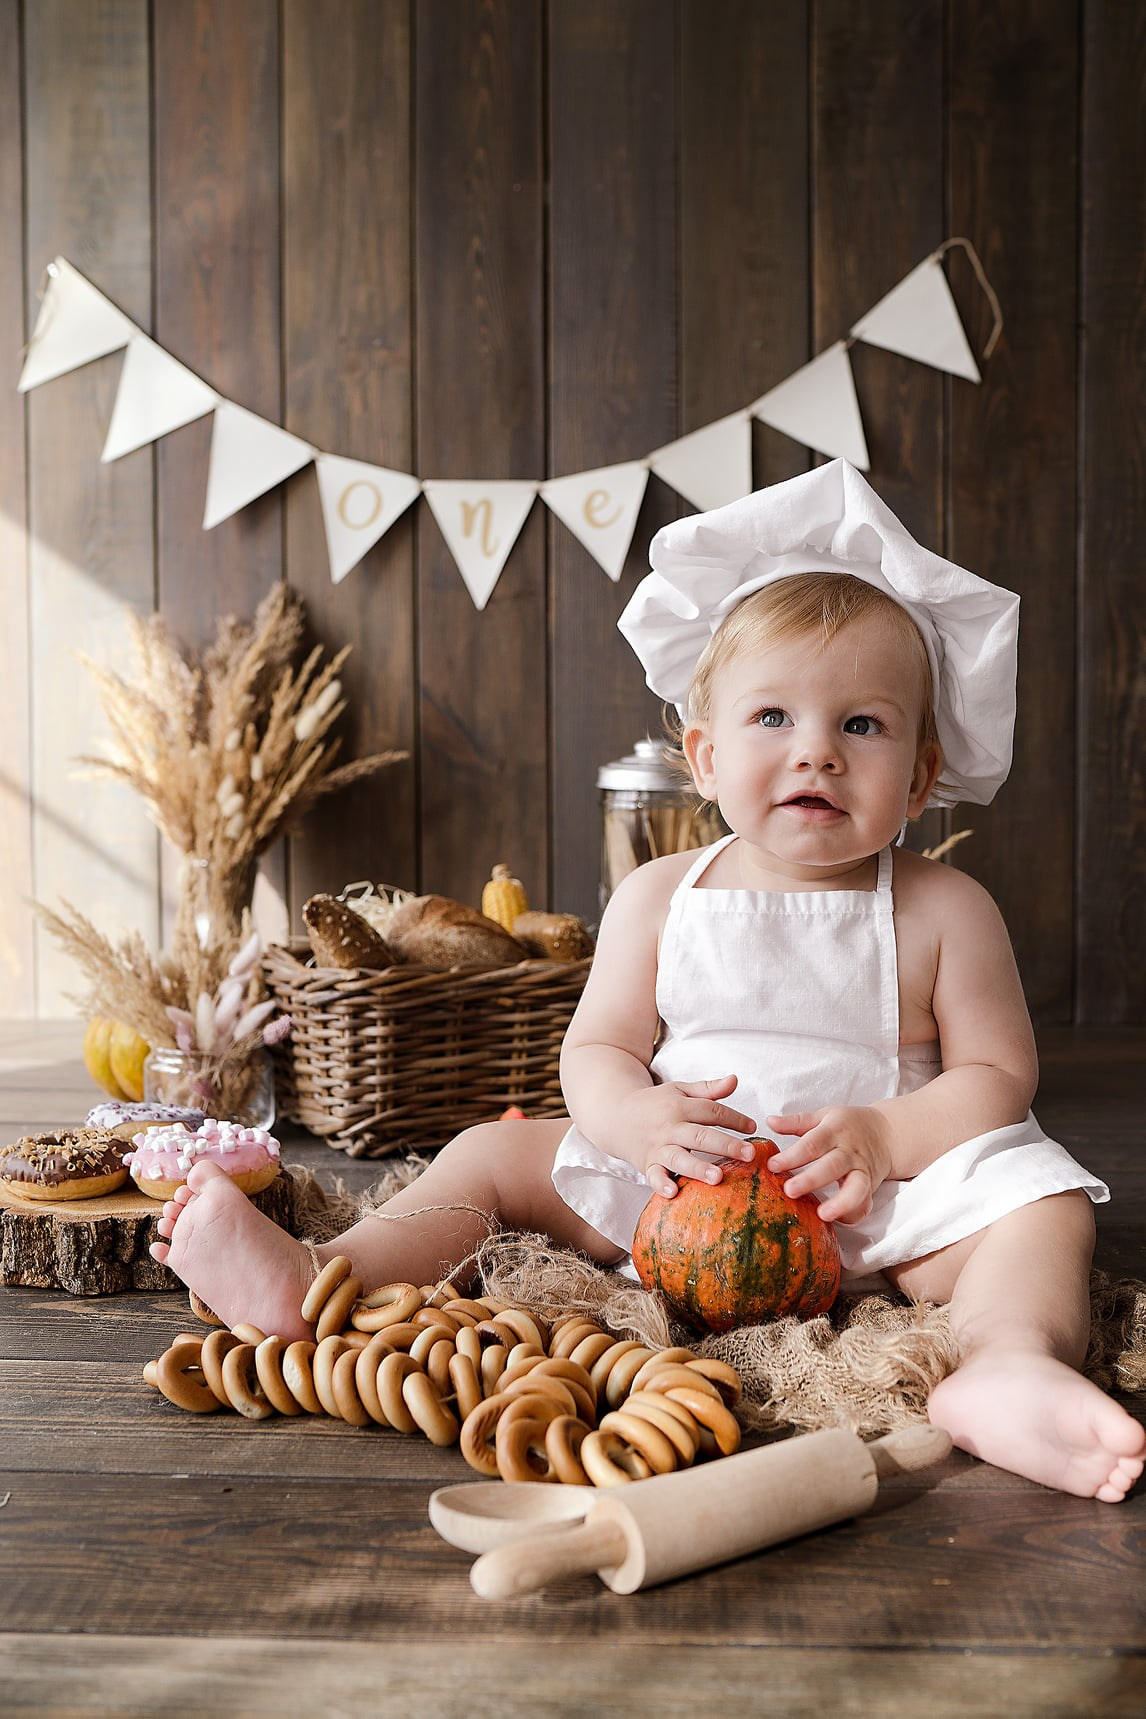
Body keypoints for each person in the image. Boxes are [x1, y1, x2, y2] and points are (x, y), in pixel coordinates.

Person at [153, 460, 1144, 1503]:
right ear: (705, 757)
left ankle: (1005, 1362)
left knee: (1043, 1205)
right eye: (774, 718)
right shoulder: (661, 895)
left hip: (877, 1205)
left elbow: (998, 1076)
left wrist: (888, 1138)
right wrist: (634, 1122)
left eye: (862, 725)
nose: (816, 753)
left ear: (923, 776)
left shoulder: (947, 908)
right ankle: (321, 1276)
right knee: (492, 1153)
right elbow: (597, 1049)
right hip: (670, 1192)